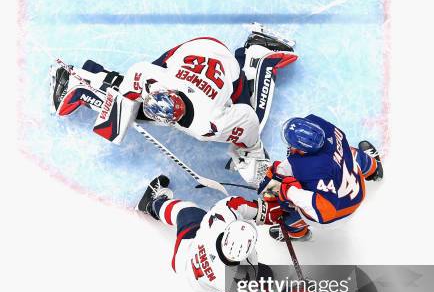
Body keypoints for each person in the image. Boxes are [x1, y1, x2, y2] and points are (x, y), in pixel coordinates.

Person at [50, 24, 297, 187]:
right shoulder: (155, 81)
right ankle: (75, 80)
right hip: (190, 49)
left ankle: (258, 52)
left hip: (225, 63)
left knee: (254, 110)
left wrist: (251, 151)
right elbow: (132, 84)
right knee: (134, 107)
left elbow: (249, 119)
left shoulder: (208, 124)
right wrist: (115, 123)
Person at [135, 174, 283, 292]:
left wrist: (263, 212)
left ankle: (151, 204)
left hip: (185, 258)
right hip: (204, 287)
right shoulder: (244, 268)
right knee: (255, 279)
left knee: (185, 211)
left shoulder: (216, 224)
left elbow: (232, 204)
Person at [258, 114, 384, 241]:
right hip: (356, 188)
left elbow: (327, 211)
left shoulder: (309, 169)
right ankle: (374, 169)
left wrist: (288, 191)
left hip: (339, 212)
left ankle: (298, 234)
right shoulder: (328, 130)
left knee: (288, 216)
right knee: (348, 154)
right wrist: (278, 173)